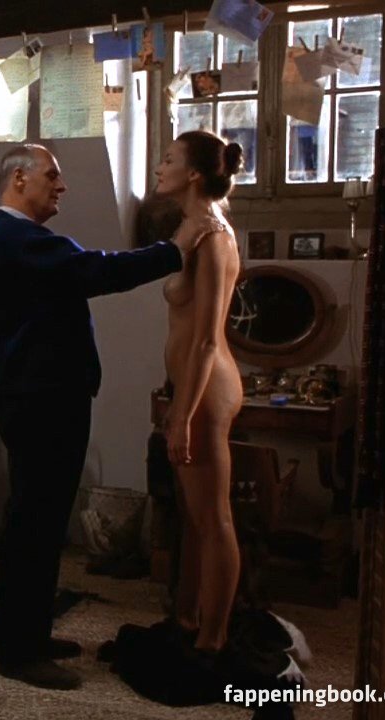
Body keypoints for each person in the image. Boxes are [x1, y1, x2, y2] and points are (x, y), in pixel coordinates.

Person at [0, 143, 208, 690]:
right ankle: (18, 653)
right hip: (40, 402)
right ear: (18, 179)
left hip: (46, 397)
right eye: (51, 176)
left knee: (42, 521)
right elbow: (100, 271)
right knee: (33, 525)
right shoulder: (14, 239)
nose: (61, 186)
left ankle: (29, 635)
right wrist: (176, 249)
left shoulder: (23, 240)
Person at [152, 130, 244, 656]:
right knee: (194, 516)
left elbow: (208, 339)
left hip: (206, 390)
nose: (159, 167)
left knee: (214, 518)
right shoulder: (192, 229)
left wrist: (182, 415)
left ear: (192, 174)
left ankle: (213, 640)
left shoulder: (213, 236)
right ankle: (187, 619)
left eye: (168, 159)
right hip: (190, 386)